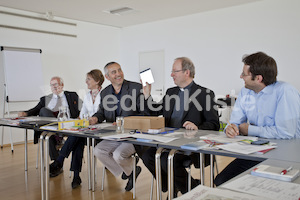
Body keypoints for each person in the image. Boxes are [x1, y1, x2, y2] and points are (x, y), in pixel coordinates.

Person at [214, 52, 300, 186]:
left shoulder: (285, 92)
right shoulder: (245, 92)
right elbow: (235, 122)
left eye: (244, 74)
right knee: (221, 180)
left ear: (258, 78)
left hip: (285, 156)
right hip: (255, 152)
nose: (241, 76)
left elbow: (286, 133)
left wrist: (249, 130)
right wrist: (230, 129)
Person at [142, 57, 220, 196]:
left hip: (190, 144)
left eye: (174, 71)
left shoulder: (204, 94)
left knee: (166, 160)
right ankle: (176, 185)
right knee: (147, 155)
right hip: (167, 141)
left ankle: (187, 190)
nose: (171, 74)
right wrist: (147, 95)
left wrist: (197, 127)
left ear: (187, 72)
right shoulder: (171, 92)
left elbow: (214, 124)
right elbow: (156, 111)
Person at [89, 62, 149, 191]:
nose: (118, 74)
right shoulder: (105, 93)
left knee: (118, 155)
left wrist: (126, 121)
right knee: (98, 151)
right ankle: (130, 172)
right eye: (114, 72)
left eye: (119, 70)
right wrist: (95, 118)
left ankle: (129, 170)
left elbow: (144, 113)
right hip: (115, 135)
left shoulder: (135, 88)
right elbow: (101, 112)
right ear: (107, 76)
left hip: (134, 135)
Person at [50, 69, 104, 189]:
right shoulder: (87, 96)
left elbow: (104, 116)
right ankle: (75, 176)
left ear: (97, 81)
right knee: (78, 138)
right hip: (87, 131)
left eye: (89, 79)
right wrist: (74, 124)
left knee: (78, 137)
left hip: (101, 132)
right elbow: (82, 115)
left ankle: (60, 160)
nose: (86, 81)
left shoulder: (105, 95)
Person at [18, 76, 80, 160]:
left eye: (56, 84)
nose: (54, 87)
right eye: (51, 85)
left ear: (62, 85)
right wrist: (25, 113)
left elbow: (82, 108)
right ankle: (57, 159)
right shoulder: (45, 99)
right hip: (53, 127)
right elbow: (36, 110)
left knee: (49, 133)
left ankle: (57, 140)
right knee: (44, 115)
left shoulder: (72, 95)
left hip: (68, 125)